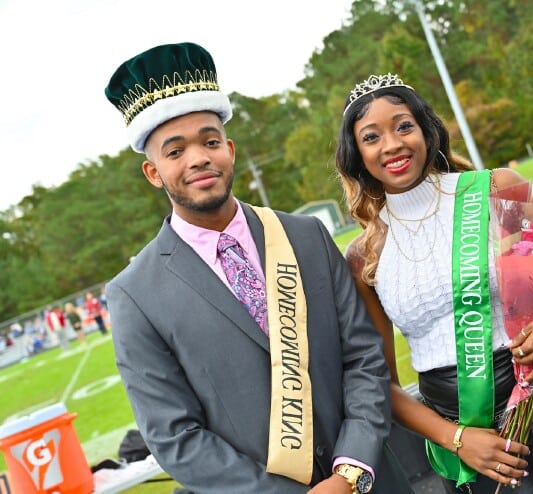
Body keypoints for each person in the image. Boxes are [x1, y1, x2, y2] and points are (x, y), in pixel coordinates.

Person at [103, 42, 413, 494]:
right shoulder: (135, 294)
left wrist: (349, 471)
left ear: (228, 149)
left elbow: (364, 358)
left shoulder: (305, 236)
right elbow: (176, 438)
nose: (198, 158)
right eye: (175, 152)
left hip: (371, 482)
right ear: (153, 173)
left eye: (210, 142)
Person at [334, 73, 533, 493]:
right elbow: (381, 385)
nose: (393, 144)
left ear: (426, 130)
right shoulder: (364, 256)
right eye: (372, 136)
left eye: (403, 126)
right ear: (357, 154)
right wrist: (456, 439)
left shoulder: (497, 191)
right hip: (466, 437)